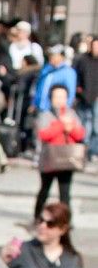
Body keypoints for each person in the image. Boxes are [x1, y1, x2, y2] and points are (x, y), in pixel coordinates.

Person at [35, 83, 86, 219]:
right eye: (56, 96)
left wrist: (71, 128)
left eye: (62, 97)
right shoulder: (46, 115)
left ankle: (65, 221)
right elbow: (43, 135)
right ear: (51, 98)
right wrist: (61, 125)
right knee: (44, 190)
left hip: (67, 159)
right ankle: (38, 217)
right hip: (50, 158)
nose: (59, 100)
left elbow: (80, 134)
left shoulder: (72, 114)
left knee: (65, 193)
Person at [74, 34, 98, 159]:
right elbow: (76, 76)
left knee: (96, 126)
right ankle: (82, 149)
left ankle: (93, 151)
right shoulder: (83, 60)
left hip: (96, 98)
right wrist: (78, 91)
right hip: (84, 96)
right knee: (83, 125)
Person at [33, 44, 77, 114]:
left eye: (54, 55)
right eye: (50, 55)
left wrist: (64, 111)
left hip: (54, 111)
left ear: (61, 57)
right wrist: (33, 103)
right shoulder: (46, 69)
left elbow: (70, 93)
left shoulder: (68, 72)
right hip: (39, 108)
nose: (51, 57)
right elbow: (39, 87)